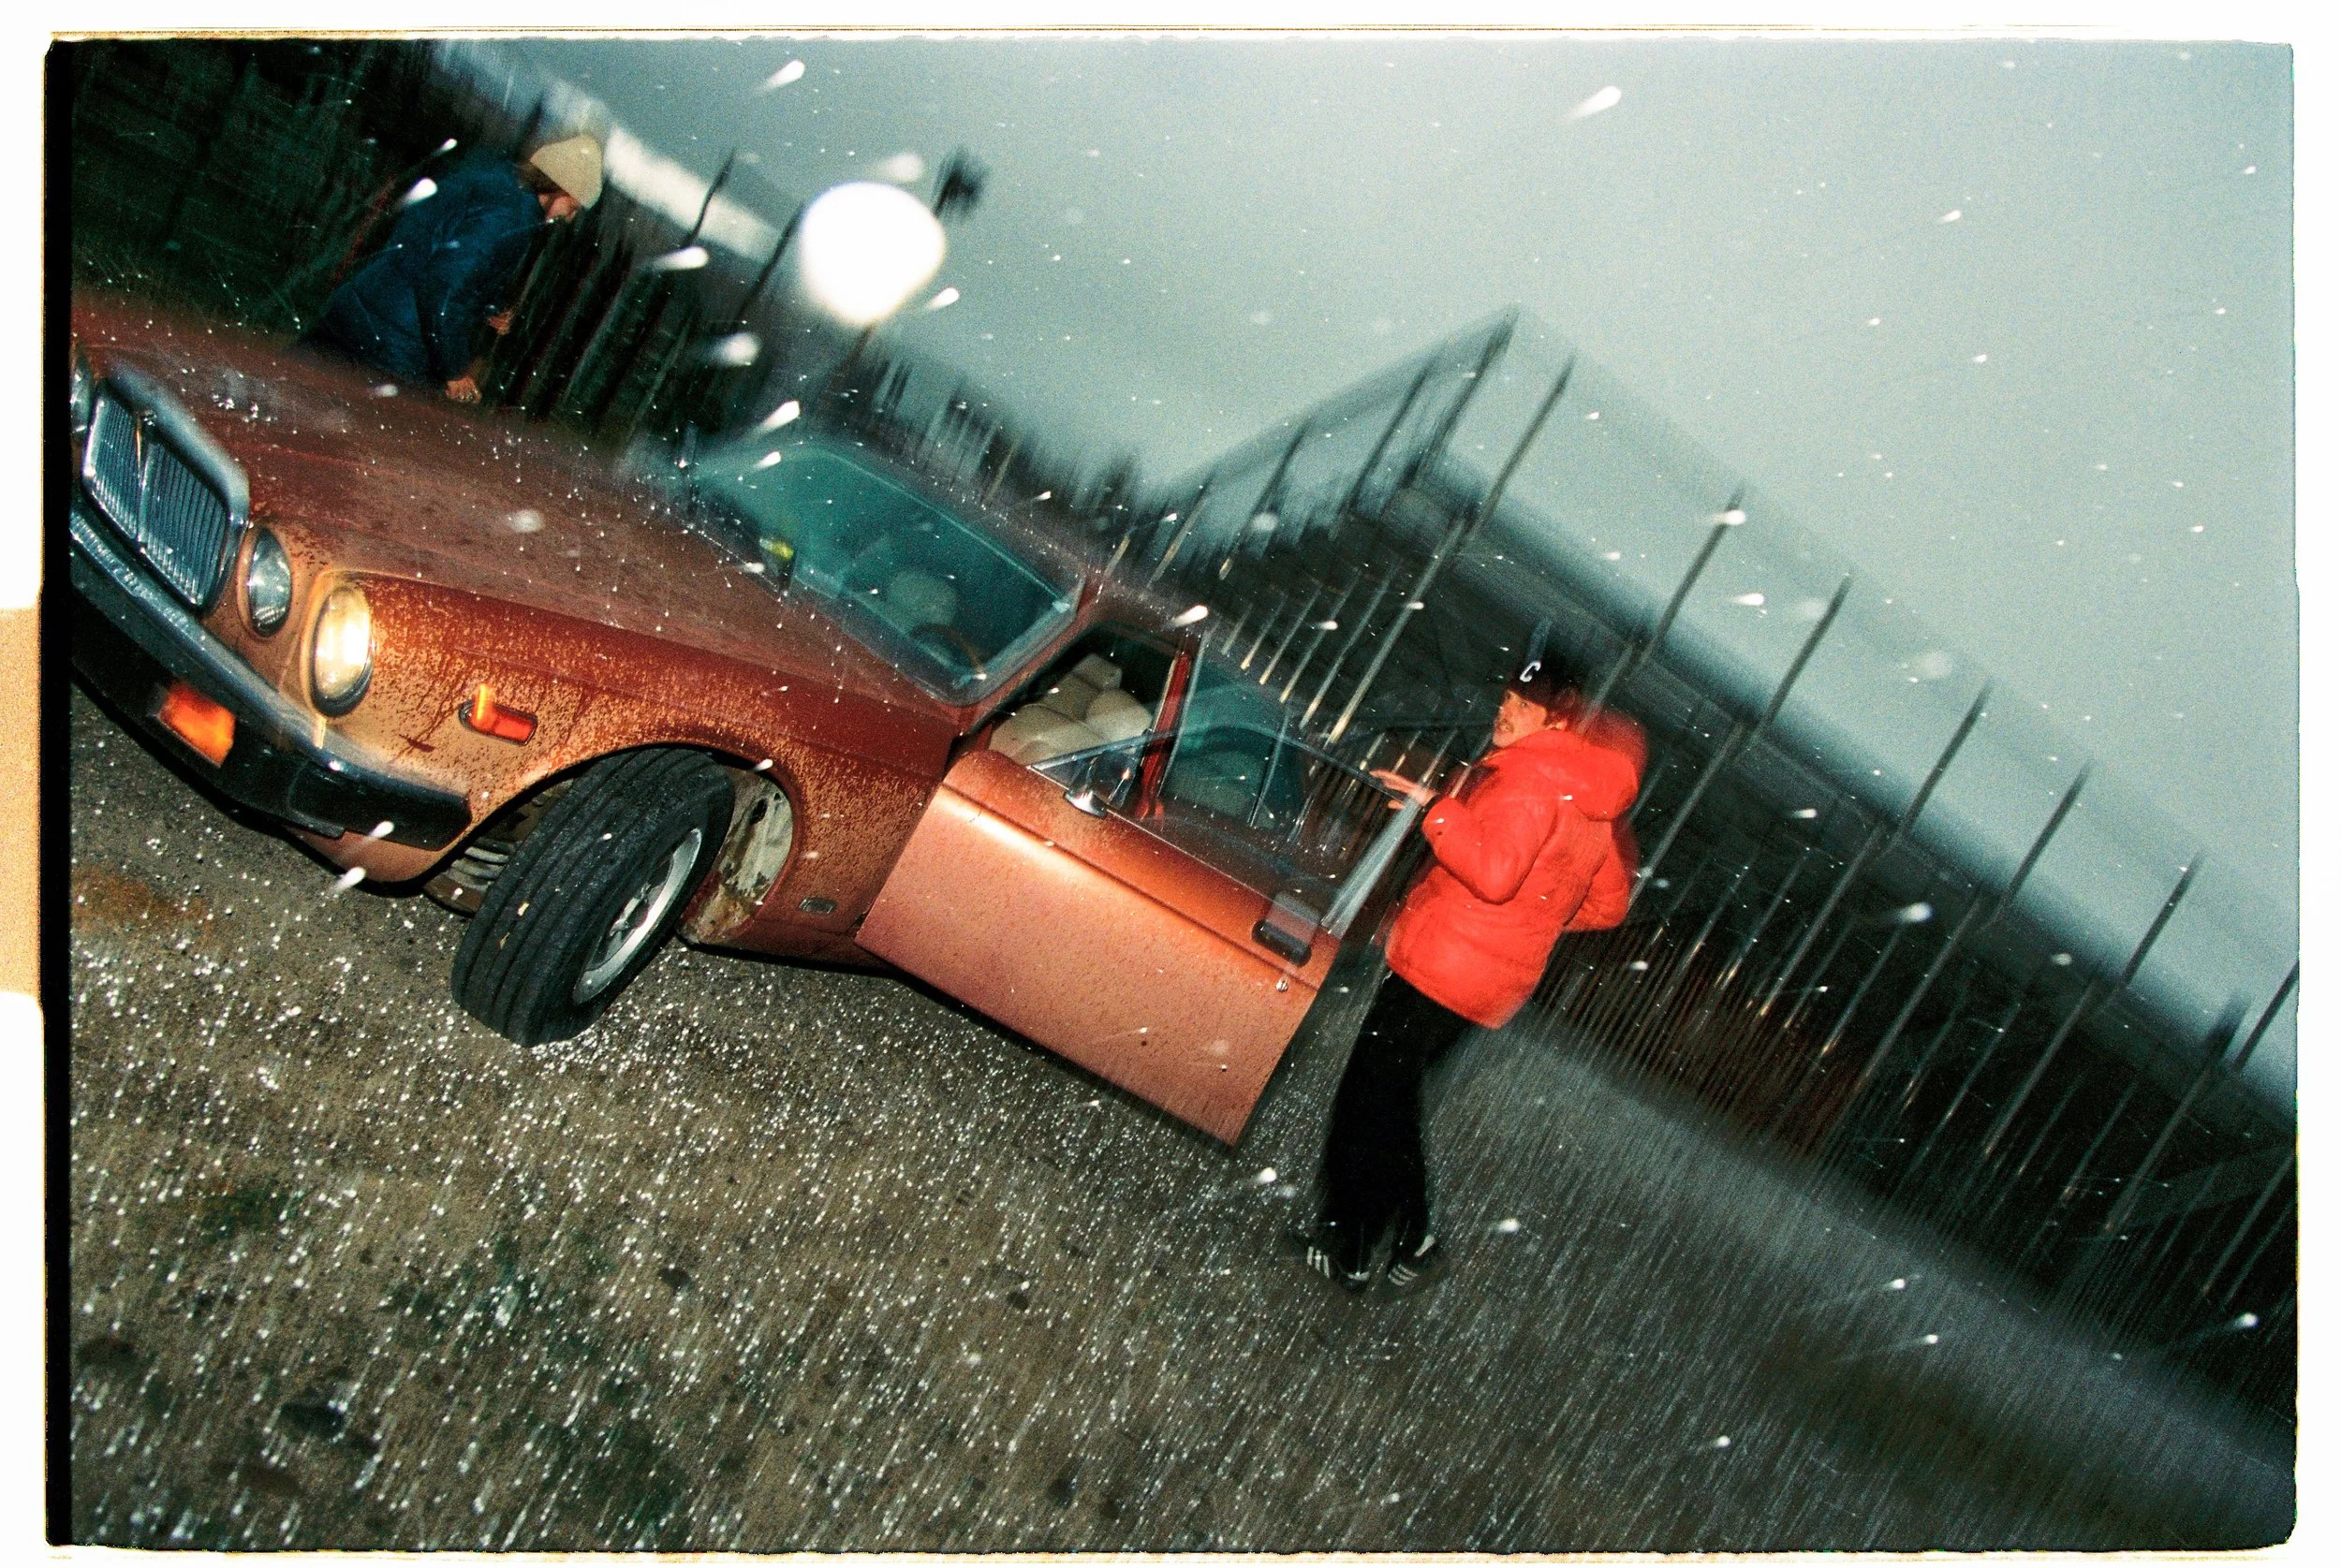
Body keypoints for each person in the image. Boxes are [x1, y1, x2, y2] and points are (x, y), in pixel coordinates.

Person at [1296, 655, 1646, 1293]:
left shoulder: (1532, 780)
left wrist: (1437, 811)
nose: (1505, 707)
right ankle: (1362, 1236)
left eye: (1524, 702)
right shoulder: (1591, 797)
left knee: (1369, 1103)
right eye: (1508, 692)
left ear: (1557, 719)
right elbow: (1608, 902)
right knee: (1388, 1103)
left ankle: (1385, 1234)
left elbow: (1494, 873)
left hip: (1444, 963)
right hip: (1487, 983)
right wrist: (1529, 924)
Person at [302, 134, 603, 403]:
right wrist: (454, 369)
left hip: (361, 303)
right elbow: (443, 283)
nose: (568, 218)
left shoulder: (498, 183)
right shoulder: (512, 219)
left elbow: (453, 252)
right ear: (558, 189)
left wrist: (490, 305)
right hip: (395, 344)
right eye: (572, 207)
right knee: (365, 440)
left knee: (282, 393)